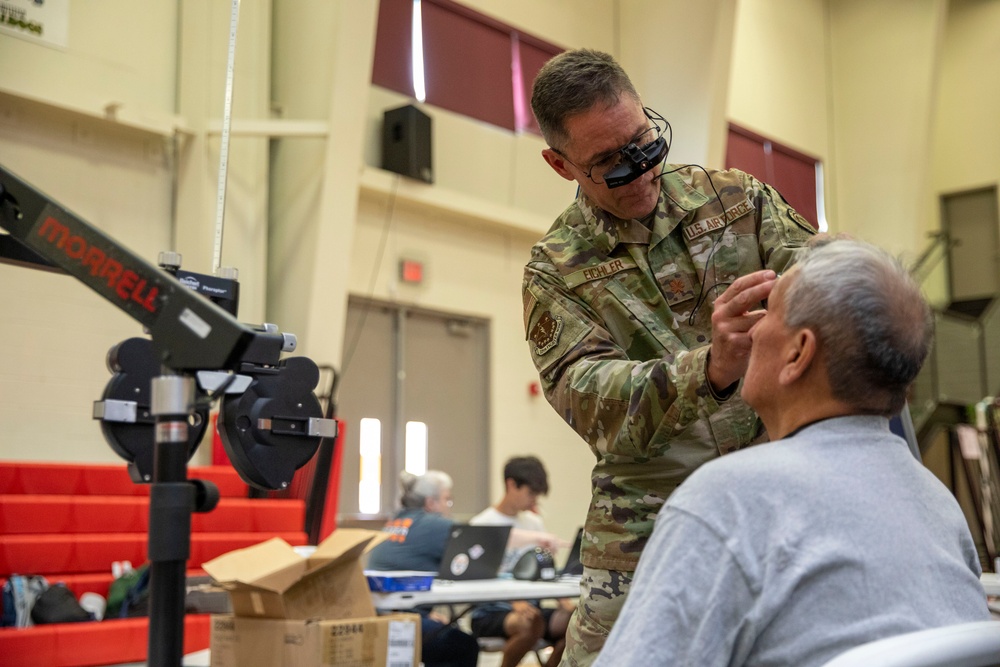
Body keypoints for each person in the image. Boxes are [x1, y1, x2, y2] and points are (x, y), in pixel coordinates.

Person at [524, 48, 816, 663]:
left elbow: (825, 291)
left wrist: (840, 268)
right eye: (609, 164)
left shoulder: (738, 201)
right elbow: (587, 397)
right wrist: (708, 370)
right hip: (645, 514)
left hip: (777, 481)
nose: (641, 171)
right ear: (560, 164)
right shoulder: (555, 271)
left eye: (646, 144)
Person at [593, 239, 992, 667]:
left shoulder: (727, 499)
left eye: (770, 311)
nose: (755, 328)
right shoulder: (939, 505)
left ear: (798, 353)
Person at [366, 470, 480, 667]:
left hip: (377, 617)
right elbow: (481, 539)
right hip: (399, 624)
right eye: (447, 500)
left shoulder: (396, 521)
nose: (448, 507)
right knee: (463, 645)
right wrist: (539, 539)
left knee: (445, 632)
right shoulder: (432, 524)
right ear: (430, 503)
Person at [468, 456, 573, 667]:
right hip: (492, 611)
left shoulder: (533, 523)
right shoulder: (482, 524)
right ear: (511, 485)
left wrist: (566, 604)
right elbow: (478, 575)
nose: (534, 501)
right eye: (531, 494)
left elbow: (546, 570)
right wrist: (514, 601)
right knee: (530, 623)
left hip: (531, 608)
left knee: (577, 622)